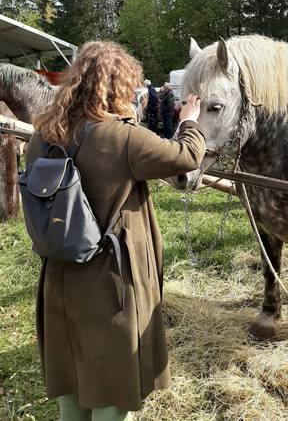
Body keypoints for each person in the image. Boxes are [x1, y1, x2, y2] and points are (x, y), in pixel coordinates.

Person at [26, 41, 205, 421]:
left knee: (72, 382)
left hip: (58, 276)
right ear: (119, 86)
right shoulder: (124, 138)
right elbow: (186, 156)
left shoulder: (42, 136)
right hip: (111, 282)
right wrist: (189, 119)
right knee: (114, 386)